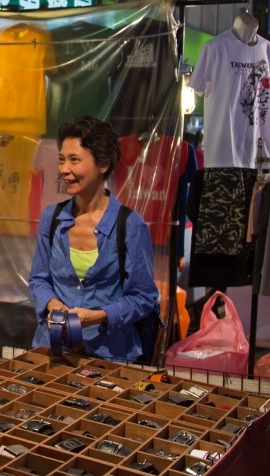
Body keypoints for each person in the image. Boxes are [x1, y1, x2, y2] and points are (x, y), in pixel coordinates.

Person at [28, 115, 159, 362]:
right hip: (52, 351)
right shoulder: (52, 218)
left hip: (109, 356)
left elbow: (143, 298)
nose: (64, 170)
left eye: (74, 160)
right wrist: (54, 304)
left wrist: (97, 316)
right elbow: (38, 279)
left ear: (103, 164)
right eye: (61, 160)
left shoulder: (130, 225)